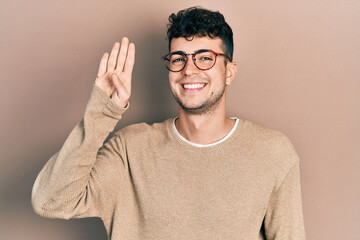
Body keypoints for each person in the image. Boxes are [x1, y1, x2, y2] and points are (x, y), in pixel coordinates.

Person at [32, 6, 306, 240]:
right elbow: (50, 200)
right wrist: (104, 110)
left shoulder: (274, 153)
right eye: (178, 59)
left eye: (205, 58)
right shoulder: (129, 150)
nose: (189, 69)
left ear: (229, 71)